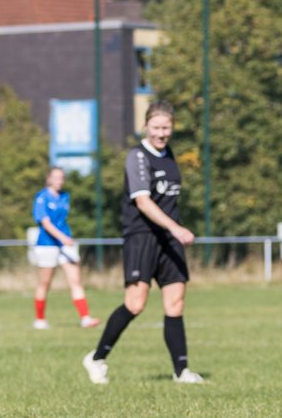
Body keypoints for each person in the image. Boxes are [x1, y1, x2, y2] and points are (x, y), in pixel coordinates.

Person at [82, 101, 203, 384]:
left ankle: (181, 371)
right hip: (142, 236)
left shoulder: (169, 154)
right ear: (146, 126)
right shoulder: (137, 156)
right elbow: (143, 201)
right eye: (157, 127)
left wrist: (173, 231)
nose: (162, 133)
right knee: (135, 304)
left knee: (175, 303)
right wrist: (176, 228)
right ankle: (97, 358)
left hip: (169, 238)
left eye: (167, 128)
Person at [31, 167, 100, 330]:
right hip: (47, 244)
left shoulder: (65, 197)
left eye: (62, 177)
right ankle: (40, 320)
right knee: (45, 283)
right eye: (56, 177)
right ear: (48, 178)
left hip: (66, 244)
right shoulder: (42, 197)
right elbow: (45, 223)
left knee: (75, 281)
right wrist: (63, 238)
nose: (59, 181)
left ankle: (85, 318)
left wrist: (66, 239)